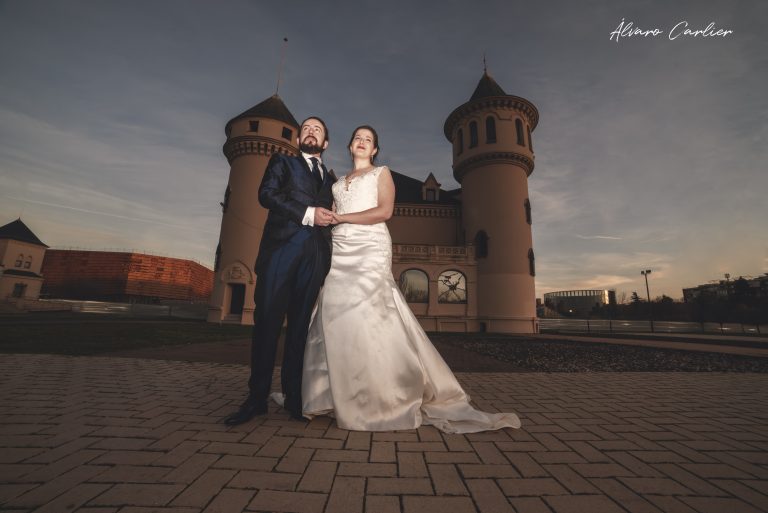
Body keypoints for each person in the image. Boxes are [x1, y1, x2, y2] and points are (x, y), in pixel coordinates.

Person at [301, 125, 521, 433]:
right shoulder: (337, 183)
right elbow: (333, 213)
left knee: (372, 316)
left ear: (374, 150)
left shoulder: (382, 174)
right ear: (350, 146)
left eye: (368, 140)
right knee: (336, 316)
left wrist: (342, 219)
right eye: (357, 139)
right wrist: (324, 218)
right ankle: (336, 393)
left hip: (369, 247)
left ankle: (384, 394)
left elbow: (384, 211)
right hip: (341, 248)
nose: (362, 142)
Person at [224, 116, 336, 425]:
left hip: (314, 260)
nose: (310, 131)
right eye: (306, 128)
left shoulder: (331, 178)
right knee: (267, 327)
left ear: (325, 143)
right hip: (280, 254)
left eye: (317, 129)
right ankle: (256, 399)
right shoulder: (283, 162)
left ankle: (294, 399)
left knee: (299, 331)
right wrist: (308, 213)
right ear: (299, 137)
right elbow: (266, 195)